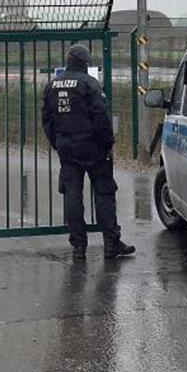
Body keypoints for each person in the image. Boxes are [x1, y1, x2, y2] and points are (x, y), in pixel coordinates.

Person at [41, 44, 135, 261]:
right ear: (85, 63)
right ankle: (111, 243)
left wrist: (58, 142)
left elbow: (47, 119)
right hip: (94, 149)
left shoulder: (52, 86)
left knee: (72, 196)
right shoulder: (90, 84)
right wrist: (107, 144)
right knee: (104, 193)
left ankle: (78, 247)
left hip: (67, 148)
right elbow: (101, 116)